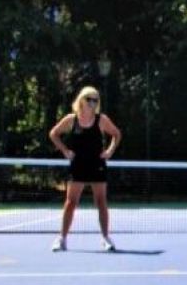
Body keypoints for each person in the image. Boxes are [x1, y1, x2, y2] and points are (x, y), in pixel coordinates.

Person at [48, 86, 122, 252]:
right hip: (78, 165)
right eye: (89, 99)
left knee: (101, 202)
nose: (92, 103)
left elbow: (117, 134)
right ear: (81, 100)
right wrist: (65, 151)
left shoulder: (101, 120)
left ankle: (106, 238)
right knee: (70, 203)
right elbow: (53, 133)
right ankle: (62, 239)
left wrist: (109, 151)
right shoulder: (71, 119)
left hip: (97, 165)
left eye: (95, 100)